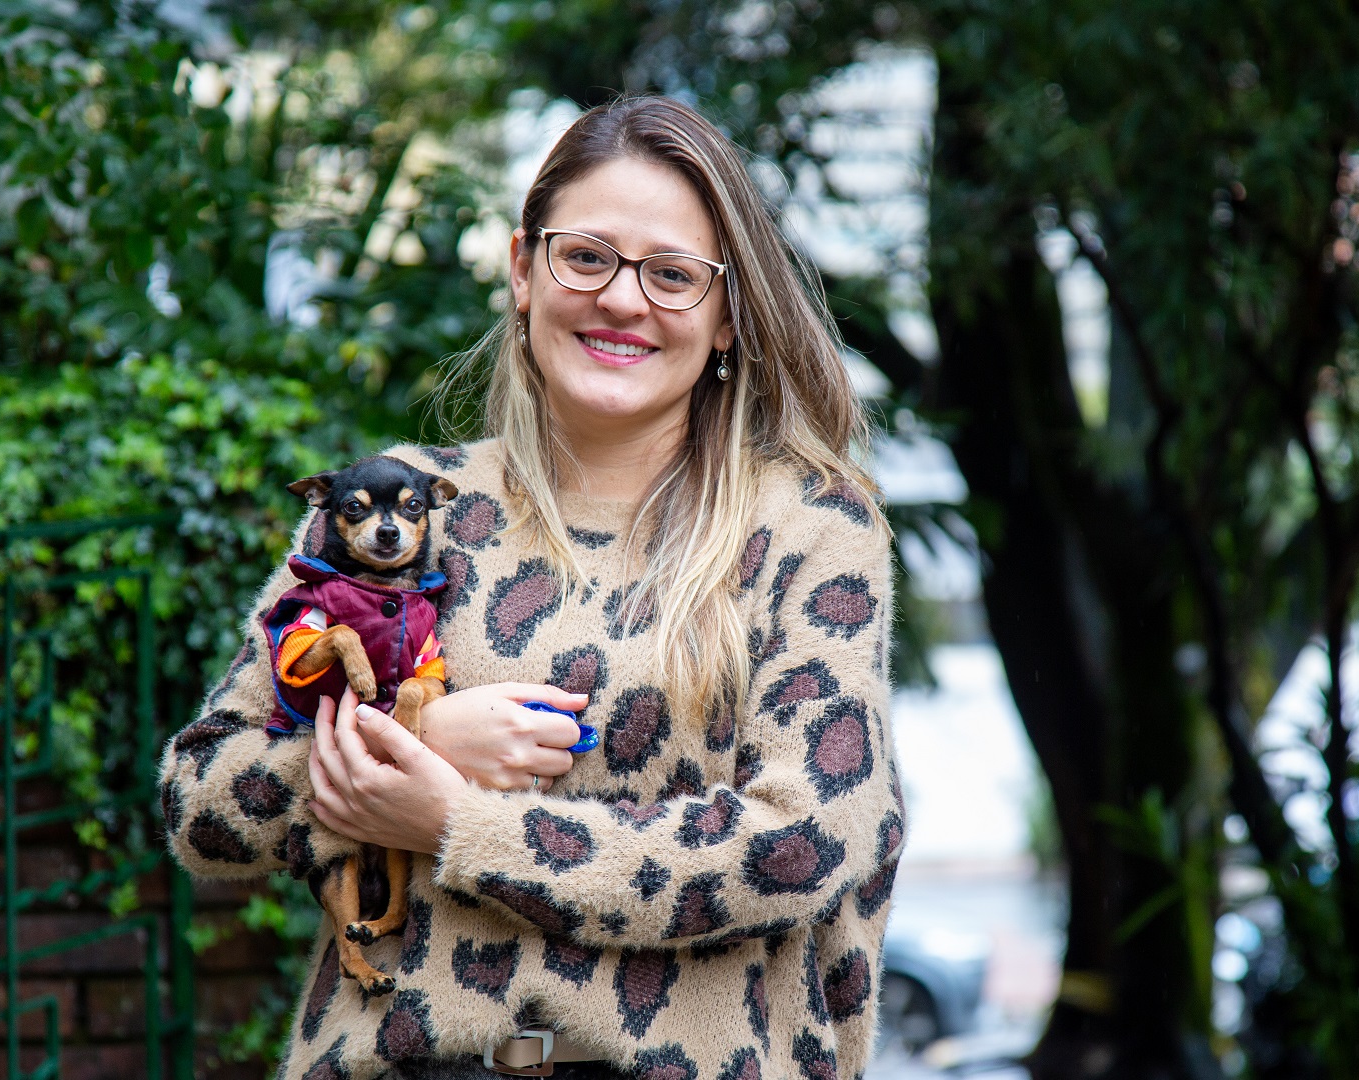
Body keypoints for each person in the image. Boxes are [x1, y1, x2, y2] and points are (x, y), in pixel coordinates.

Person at [160, 94, 903, 1080]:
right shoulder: (402, 505)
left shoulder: (809, 528)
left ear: (726, 316)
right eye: (586, 257)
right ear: (524, 269)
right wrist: (419, 744)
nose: (622, 300)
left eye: (673, 276)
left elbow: (805, 842)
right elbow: (201, 795)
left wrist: (454, 823)